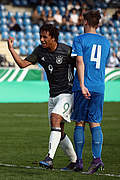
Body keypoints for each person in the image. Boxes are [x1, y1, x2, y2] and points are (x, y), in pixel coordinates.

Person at [7, 24, 77, 170]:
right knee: (59, 130)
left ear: (53, 37)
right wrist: (11, 49)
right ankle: (75, 162)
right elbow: (22, 64)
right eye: (41, 36)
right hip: (52, 96)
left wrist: (84, 85)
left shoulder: (67, 50)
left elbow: (81, 65)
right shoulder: (39, 51)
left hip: (67, 93)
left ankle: (49, 158)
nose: (42, 39)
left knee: (55, 118)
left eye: (45, 37)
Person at [71, 10, 111, 174]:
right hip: (99, 86)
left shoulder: (79, 39)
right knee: (95, 122)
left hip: (84, 86)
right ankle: (96, 159)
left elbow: (79, 62)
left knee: (80, 122)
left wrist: (81, 84)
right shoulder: (106, 42)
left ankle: (79, 161)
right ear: (98, 23)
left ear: (85, 22)